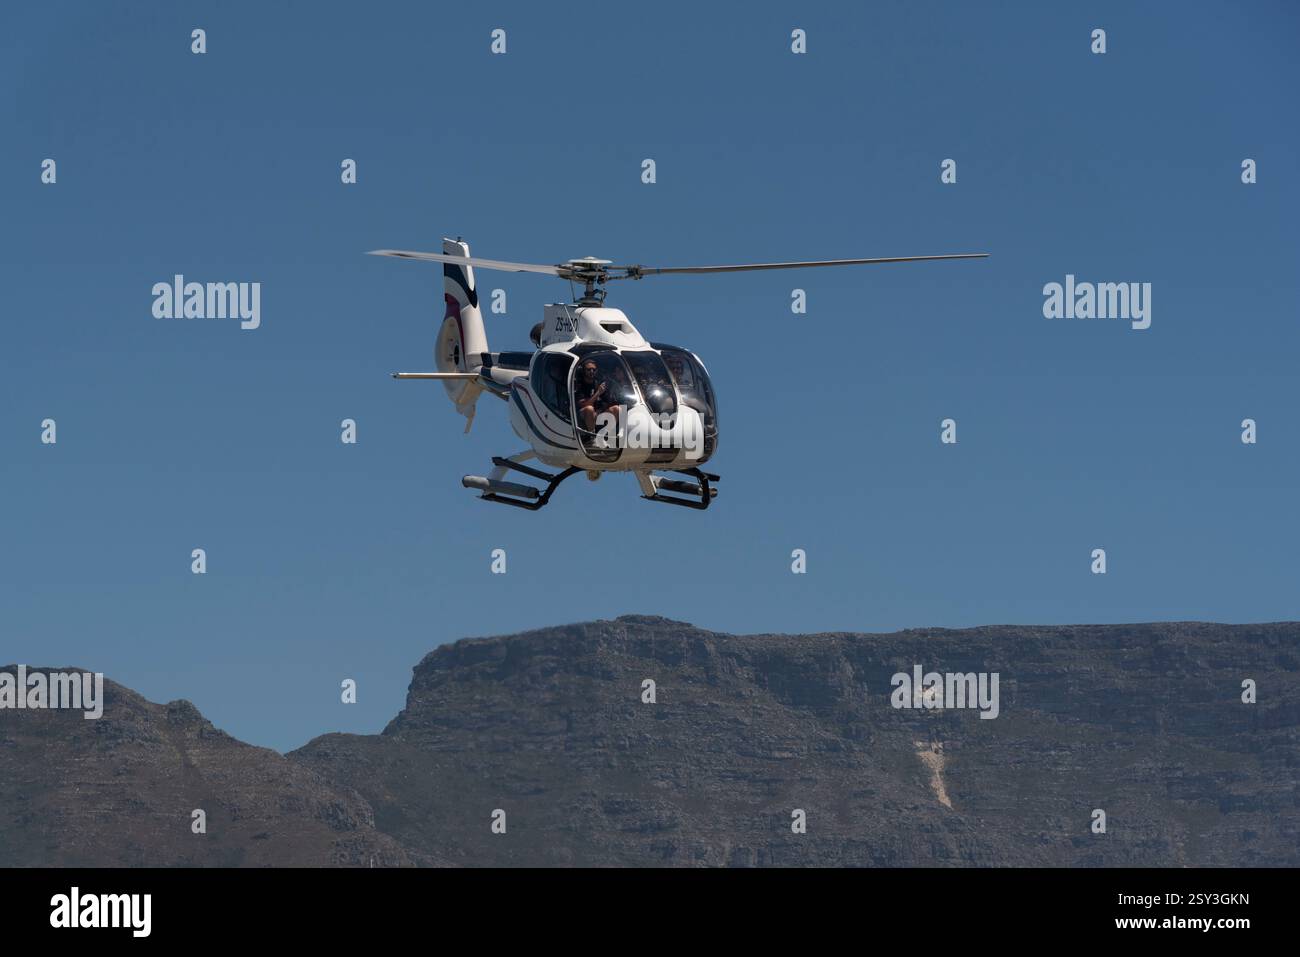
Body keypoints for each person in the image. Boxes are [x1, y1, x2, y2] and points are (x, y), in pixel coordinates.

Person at [575, 359, 624, 437]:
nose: (592, 371)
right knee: (589, 409)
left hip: (597, 414)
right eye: (589, 369)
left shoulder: (598, 383)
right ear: (583, 371)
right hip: (583, 416)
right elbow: (584, 405)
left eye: (594, 369)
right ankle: (592, 438)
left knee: (616, 409)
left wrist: (600, 410)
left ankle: (606, 436)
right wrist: (598, 393)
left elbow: (606, 402)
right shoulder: (579, 385)